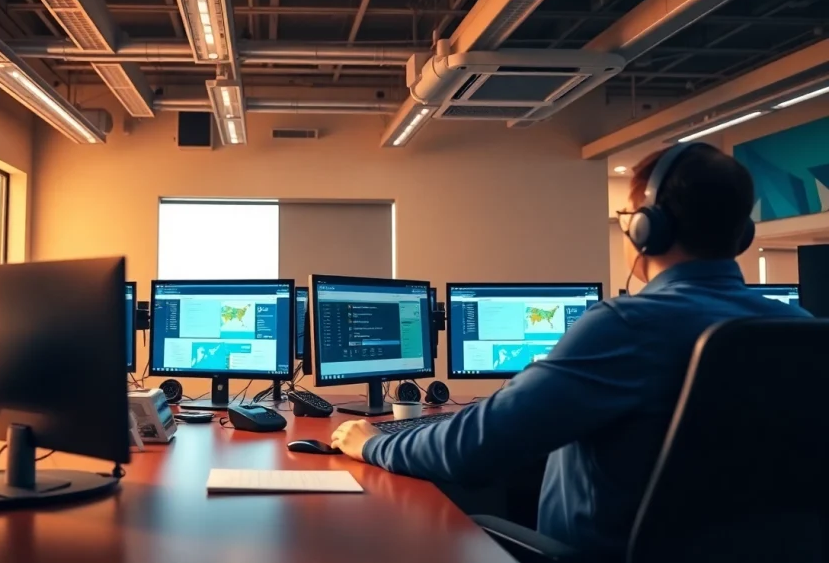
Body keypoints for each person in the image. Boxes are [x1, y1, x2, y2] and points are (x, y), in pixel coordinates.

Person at [329, 143, 812, 558]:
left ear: (648, 228)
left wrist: (373, 441)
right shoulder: (802, 330)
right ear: (741, 235)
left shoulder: (626, 326)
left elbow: (474, 448)